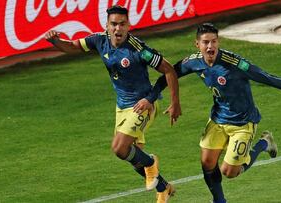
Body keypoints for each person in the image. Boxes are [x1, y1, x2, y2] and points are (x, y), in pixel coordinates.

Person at [149, 23, 281, 203]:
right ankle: (219, 201)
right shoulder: (193, 62)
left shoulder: (235, 64)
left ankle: (264, 143)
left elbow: (266, 77)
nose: (210, 46)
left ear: (218, 42)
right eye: (206, 42)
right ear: (197, 44)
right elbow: (168, 73)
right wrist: (152, 97)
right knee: (207, 162)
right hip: (218, 118)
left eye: (214, 41)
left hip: (243, 122)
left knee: (229, 172)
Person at [44, 5, 181, 203]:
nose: (118, 29)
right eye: (114, 24)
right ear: (106, 25)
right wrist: (55, 41)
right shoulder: (99, 40)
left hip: (143, 105)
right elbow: (73, 46)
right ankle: (163, 188)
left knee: (119, 148)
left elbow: (169, 70)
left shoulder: (139, 49)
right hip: (122, 106)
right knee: (133, 157)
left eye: (122, 24)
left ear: (129, 25)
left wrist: (173, 103)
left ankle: (152, 163)